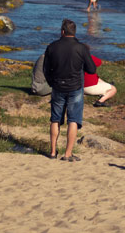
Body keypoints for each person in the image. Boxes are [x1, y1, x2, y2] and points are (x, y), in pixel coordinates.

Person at [42, 18, 96, 161]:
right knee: (73, 120)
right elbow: (91, 69)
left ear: (63, 31)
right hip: (75, 87)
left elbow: (45, 69)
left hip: (57, 86)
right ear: (74, 32)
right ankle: (68, 154)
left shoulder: (52, 46)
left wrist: (51, 82)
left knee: (55, 119)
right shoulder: (81, 48)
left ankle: (53, 152)